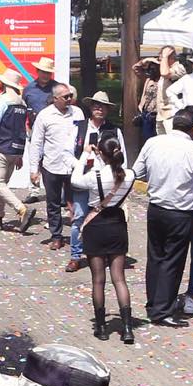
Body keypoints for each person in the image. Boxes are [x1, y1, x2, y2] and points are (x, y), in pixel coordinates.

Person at [137, 106, 193, 326]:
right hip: (180, 211)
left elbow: (138, 171)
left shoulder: (153, 143)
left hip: (156, 207)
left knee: (155, 257)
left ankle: (154, 303)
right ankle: (162, 310)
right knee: (173, 260)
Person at [76, 137, 137, 344]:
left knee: (98, 279)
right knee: (119, 278)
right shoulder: (130, 175)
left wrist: (86, 154)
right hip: (117, 224)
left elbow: (75, 180)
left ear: (101, 153)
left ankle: (101, 327)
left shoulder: (95, 175)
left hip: (96, 225)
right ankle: (127, 328)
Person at [64, 92, 127, 273]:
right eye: (96, 105)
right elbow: (66, 154)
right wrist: (80, 165)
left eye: (103, 106)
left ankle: (103, 253)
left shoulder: (114, 131)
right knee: (79, 217)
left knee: (104, 218)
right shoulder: (79, 128)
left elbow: (123, 159)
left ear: (107, 109)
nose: (99, 109)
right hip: (84, 179)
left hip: (105, 182)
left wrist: (118, 180)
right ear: (90, 108)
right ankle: (76, 256)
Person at [26, 81, 87, 253]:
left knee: (77, 202)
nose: (69, 99)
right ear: (55, 99)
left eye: (71, 96)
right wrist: (33, 170)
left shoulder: (78, 112)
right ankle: (56, 236)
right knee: (53, 203)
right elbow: (36, 143)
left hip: (73, 166)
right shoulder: (45, 116)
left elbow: (83, 138)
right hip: (52, 165)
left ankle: (80, 234)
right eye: (65, 97)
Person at [0, 70, 33, 231]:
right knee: (2, 184)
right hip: (16, 150)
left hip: (2, 147)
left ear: (3, 84)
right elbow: (23, 130)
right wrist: (21, 154)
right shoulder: (22, 104)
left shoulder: (2, 100)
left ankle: (21, 209)